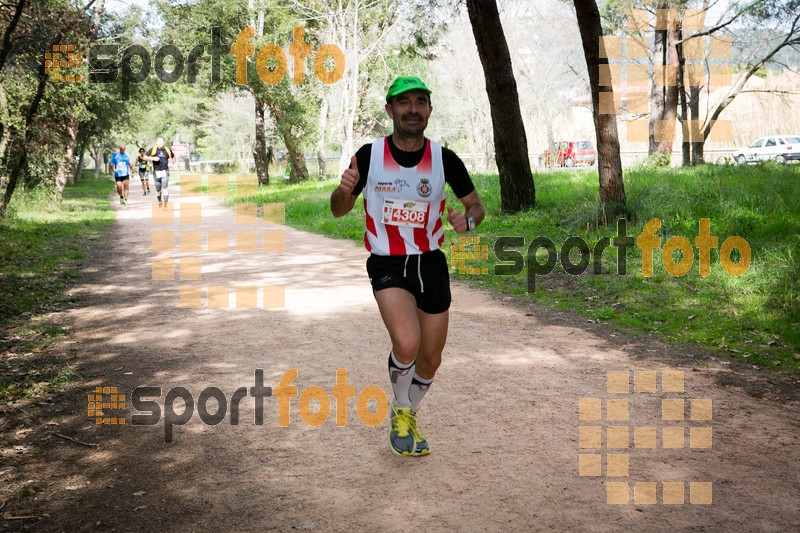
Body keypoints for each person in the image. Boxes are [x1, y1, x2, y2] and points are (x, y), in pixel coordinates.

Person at [330, 76, 485, 456]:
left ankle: (406, 412)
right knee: (407, 342)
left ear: (429, 110)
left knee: (431, 359)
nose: (412, 109)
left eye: (420, 102)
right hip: (387, 263)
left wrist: (470, 221)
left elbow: (475, 206)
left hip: (430, 264)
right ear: (390, 110)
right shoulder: (368, 157)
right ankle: (403, 414)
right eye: (404, 103)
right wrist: (344, 187)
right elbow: (338, 210)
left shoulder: (444, 159)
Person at [144, 137, 175, 209]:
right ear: (156, 142)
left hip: (165, 171)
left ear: (164, 142)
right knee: (158, 189)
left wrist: (172, 163)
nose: (160, 143)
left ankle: (166, 205)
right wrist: (152, 158)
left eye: (162, 141)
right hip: (156, 172)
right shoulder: (153, 150)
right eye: (159, 141)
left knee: (165, 187)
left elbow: (173, 157)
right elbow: (144, 157)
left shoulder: (167, 150)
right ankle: (159, 201)